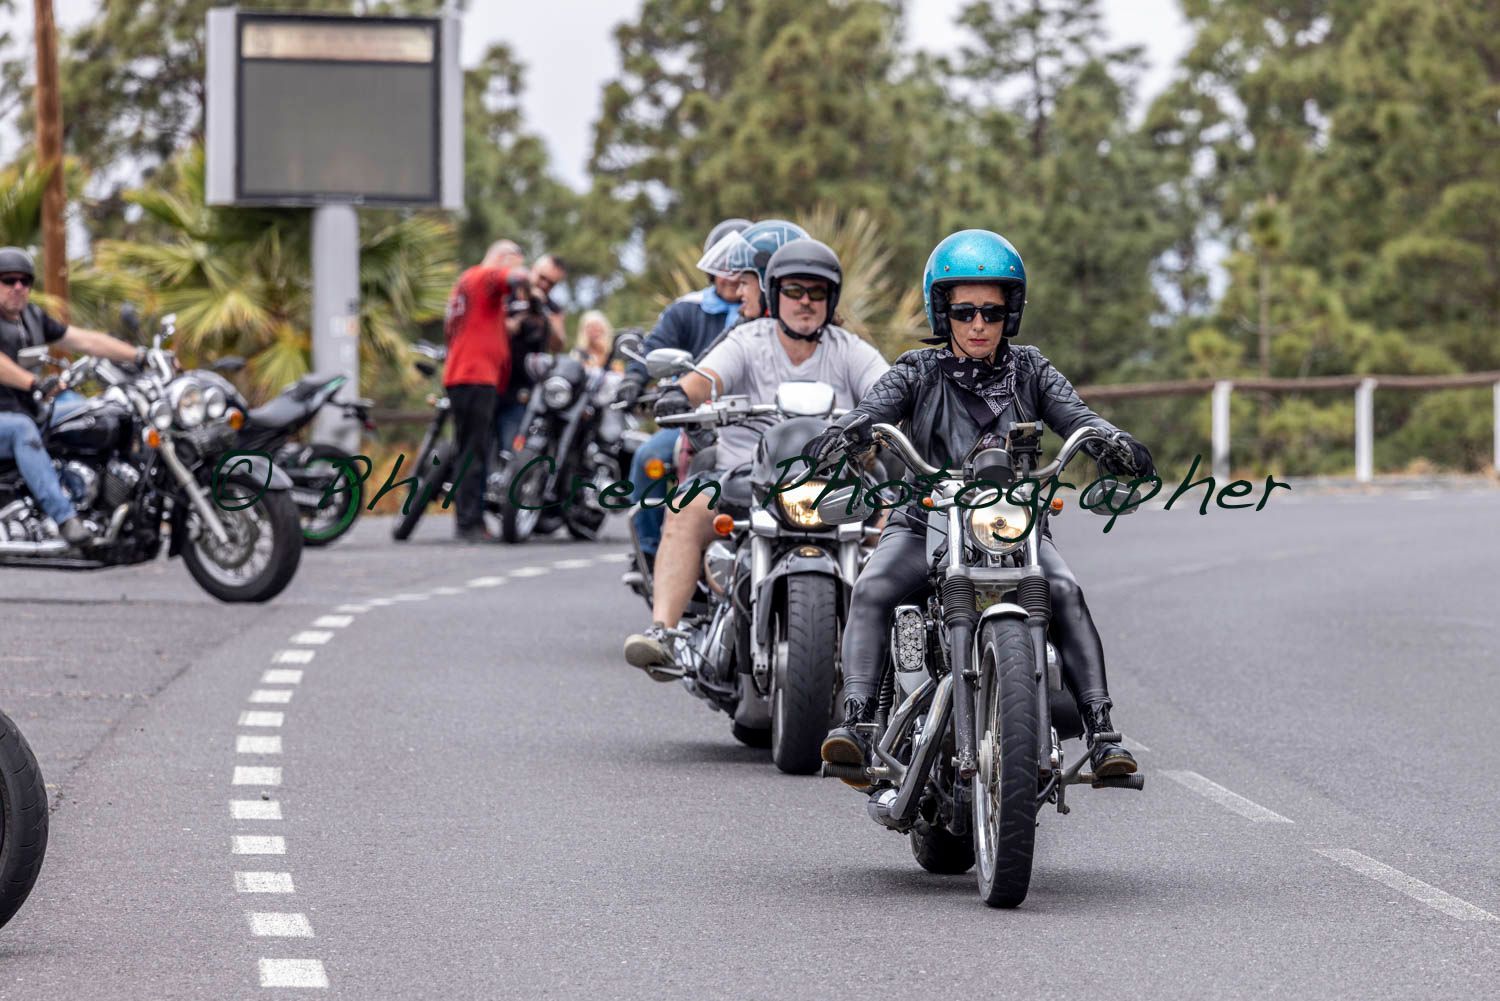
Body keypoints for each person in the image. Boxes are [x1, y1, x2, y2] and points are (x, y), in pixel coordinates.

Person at [806, 229, 1155, 779]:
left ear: (1008, 315)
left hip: (1010, 525)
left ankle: (1103, 732)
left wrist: (1111, 441)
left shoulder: (1032, 369)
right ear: (942, 312)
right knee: (872, 588)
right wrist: (849, 429)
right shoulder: (917, 371)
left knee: (1063, 590)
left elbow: (1077, 416)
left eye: (991, 313)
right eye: (964, 311)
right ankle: (855, 723)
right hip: (925, 520)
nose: (977, 325)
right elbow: (875, 407)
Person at [622, 237, 890, 674]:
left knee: (897, 521)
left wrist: (909, 407)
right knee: (686, 506)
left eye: (817, 293)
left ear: (830, 298)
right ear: (774, 295)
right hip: (747, 478)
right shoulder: (747, 341)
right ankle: (664, 633)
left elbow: (889, 387)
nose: (805, 302)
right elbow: (706, 377)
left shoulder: (849, 349)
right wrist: (680, 395)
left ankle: (894, 647)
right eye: (794, 291)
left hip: (834, 484)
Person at [613, 218, 752, 569]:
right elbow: (654, 349)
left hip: (757, 419)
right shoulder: (686, 310)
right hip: (694, 419)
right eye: (724, 269)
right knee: (649, 458)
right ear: (711, 270)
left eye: (741, 271)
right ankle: (649, 552)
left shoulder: (771, 314)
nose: (732, 278)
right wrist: (634, 379)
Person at [0, 246, 151, 547]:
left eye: (25, 281)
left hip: (30, 408)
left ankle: (115, 502)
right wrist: (34, 383)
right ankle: (65, 518)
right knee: (21, 429)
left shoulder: (31, 318)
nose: (18, 287)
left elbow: (84, 339)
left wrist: (141, 354)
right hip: (11, 419)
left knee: (93, 413)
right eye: (8, 280)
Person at [442, 240, 529, 542]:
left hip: (466, 374)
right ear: (504, 260)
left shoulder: (467, 284)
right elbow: (511, 278)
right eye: (515, 262)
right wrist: (524, 279)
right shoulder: (485, 276)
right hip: (475, 377)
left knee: (471, 447)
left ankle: (468, 518)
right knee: (473, 451)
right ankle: (469, 523)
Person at [495, 253, 569, 458]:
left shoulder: (552, 308)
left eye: (551, 283)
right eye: (542, 277)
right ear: (533, 270)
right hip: (492, 380)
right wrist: (524, 313)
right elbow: (499, 328)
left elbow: (559, 344)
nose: (544, 284)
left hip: (521, 391)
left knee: (511, 451)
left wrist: (542, 311)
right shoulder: (508, 294)